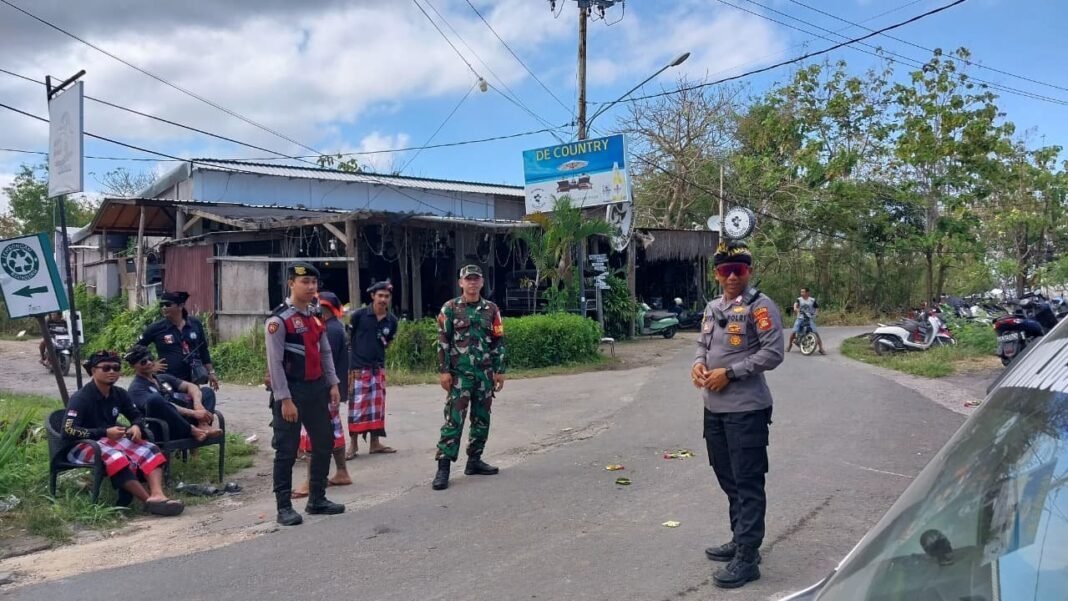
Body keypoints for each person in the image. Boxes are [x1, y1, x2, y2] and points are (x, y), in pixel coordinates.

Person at [691, 241, 784, 589]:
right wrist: (698, 365)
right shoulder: (713, 307)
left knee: (747, 481)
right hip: (713, 409)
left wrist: (729, 373)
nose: (731, 276)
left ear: (749, 271)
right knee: (726, 475)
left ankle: (748, 556)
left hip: (746, 410)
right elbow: (702, 345)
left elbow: (773, 353)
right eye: (724, 271)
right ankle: (739, 537)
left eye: (739, 270)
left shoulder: (761, 307)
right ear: (717, 274)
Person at [265, 262, 345, 526]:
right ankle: (284, 507)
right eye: (305, 282)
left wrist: (333, 383)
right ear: (291, 284)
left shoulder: (315, 316)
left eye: (314, 283)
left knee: (324, 443)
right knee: (286, 451)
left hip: (316, 389)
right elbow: (274, 363)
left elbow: (325, 353)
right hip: (291, 391)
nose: (311, 287)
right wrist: (284, 399)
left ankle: (317, 499)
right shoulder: (279, 320)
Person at [62, 350, 184, 516]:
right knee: (116, 457)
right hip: (81, 444)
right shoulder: (81, 398)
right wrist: (104, 431)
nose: (112, 372)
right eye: (105, 368)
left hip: (109, 440)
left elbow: (136, 415)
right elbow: (68, 430)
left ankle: (158, 496)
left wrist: (136, 426)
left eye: (116, 368)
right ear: (93, 371)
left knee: (150, 448)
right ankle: (147, 501)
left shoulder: (119, 394)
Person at [431, 265, 505, 491]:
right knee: (454, 420)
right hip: (460, 375)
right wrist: (444, 371)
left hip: (484, 374)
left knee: (482, 418)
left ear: (482, 283)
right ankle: (443, 467)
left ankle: (474, 460)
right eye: (468, 279)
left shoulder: (491, 309)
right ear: (461, 283)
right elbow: (443, 340)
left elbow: (498, 341)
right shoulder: (451, 308)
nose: (472, 283)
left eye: (476, 279)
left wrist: (499, 370)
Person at [292, 291, 352, 497]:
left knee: (312, 434)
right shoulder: (334, 327)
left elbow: (324, 361)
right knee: (334, 429)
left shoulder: (328, 329)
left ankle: (310, 481)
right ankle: (342, 472)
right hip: (331, 387)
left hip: (322, 388)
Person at [125, 345, 222, 443]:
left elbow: (191, 386)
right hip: (163, 427)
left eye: (150, 358)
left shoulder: (162, 378)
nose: (149, 363)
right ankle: (194, 431)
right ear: (133, 366)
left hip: (182, 421)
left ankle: (204, 425)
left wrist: (198, 405)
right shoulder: (136, 388)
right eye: (143, 362)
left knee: (206, 392)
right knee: (155, 399)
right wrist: (194, 413)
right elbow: (165, 406)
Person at [347, 280, 399, 458]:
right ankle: (352, 445)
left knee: (377, 408)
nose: (383, 299)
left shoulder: (391, 320)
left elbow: (388, 342)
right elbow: (350, 338)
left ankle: (375, 443)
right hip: (358, 369)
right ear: (372, 296)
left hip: (378, 369)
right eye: (380, 296)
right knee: (357, 408)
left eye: (386, 296)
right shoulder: (359, 316)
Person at [138, 291, 220, 391]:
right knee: (171, 404)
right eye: (161, 305)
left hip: (192, 378)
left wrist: (211, 372)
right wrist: (151, 365)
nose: (164, 308)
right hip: (168, 380)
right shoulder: (156, 328)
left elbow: (203, 350)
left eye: (167, 304)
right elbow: (137, 348)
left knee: (197, 401)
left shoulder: (195, 324)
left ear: (180, 306)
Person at [787, 287, 825, 355]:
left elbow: (817, 308)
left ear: (807, 293)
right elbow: (795, 304)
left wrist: (816, 313)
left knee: (815, 332)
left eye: (803, 292)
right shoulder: (799, 299)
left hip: (809, 317)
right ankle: (789, 345)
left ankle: (821, 348)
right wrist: (795, 308)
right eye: (801, 292)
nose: (802, 293)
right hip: (800, 317)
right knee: (793, 332)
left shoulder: (812, 300)